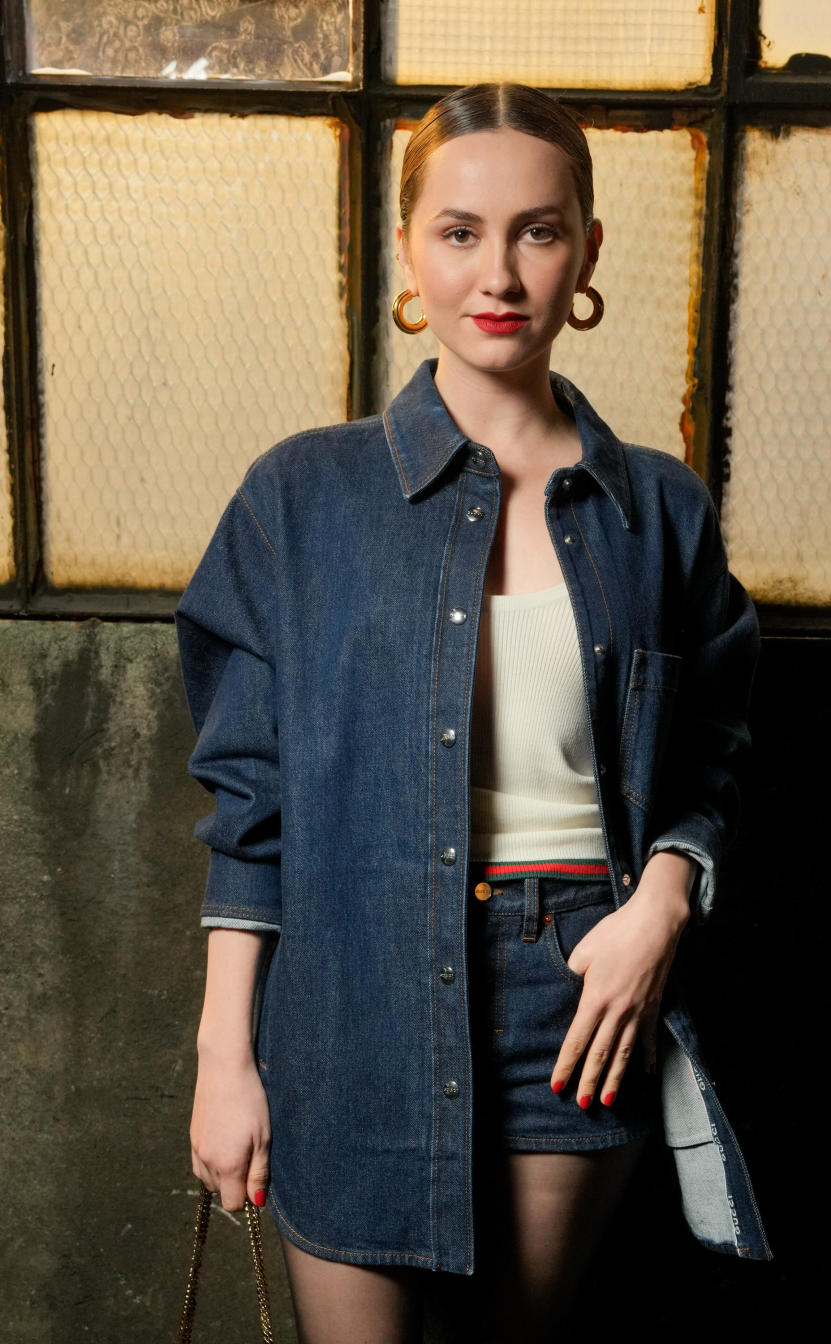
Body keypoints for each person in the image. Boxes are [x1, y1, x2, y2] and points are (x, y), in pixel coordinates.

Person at [175, 81, 770, 1344]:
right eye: (459, 232)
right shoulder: (300, 500)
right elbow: (251, 806)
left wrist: (663, 898)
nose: (498, 271)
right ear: (408, 249)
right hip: (351, 998)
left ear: (588, 253)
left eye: (538, 231)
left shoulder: (659, 511)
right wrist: (227, 1058)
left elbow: (713, 755)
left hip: (580, 1001)